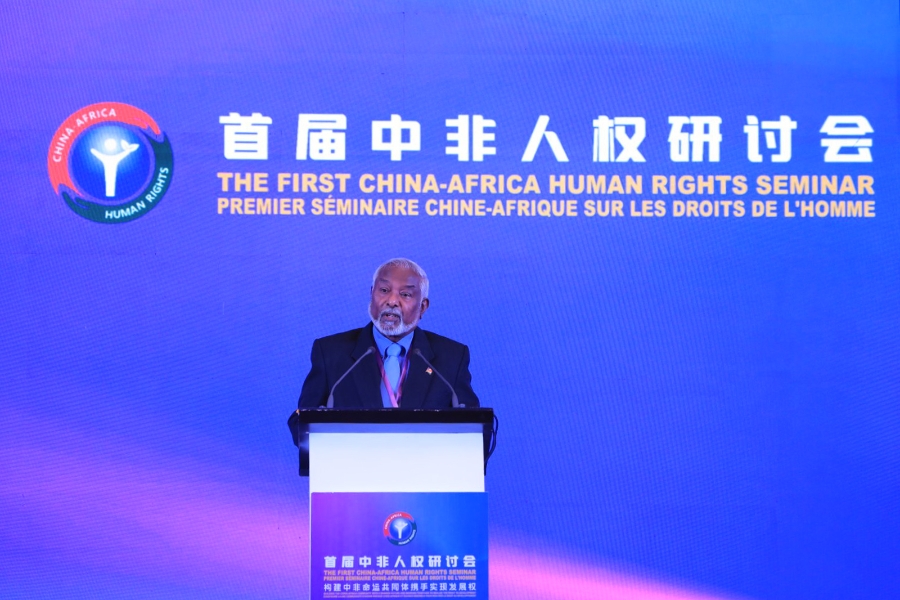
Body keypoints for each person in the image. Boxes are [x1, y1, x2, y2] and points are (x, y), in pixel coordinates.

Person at [296, 258, 480, 409]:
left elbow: (475, 428)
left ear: (423, 306)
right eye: (384, 290)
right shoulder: (331, 353)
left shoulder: (451, 357)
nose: (392, 301)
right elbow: (302, 421)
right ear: (371, 294)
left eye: (405, 294)